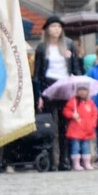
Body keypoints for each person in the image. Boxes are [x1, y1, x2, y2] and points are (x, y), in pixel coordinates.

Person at [33, 15, 83, 171]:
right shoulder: (42, 48)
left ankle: (64, 160)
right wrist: (39, 94)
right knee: (49, 125)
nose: (56, 29)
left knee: (65, 125)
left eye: (59, 27)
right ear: (47, 29)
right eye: (53, 26)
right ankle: (50, 160)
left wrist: (77, 84)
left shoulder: (68, 45)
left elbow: (75, 67)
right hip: (49, 85)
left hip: (65, 85)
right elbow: (38, 73)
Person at [62, 85, 98, 170]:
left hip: (87, 129)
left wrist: (92, 124)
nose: (82, 92)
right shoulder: (73, 101)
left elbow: (94, 114)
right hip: (76, 129)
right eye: (80, 90)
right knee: (76, 147)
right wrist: (72, 115)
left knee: (86, 147)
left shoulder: (90, 103)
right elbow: (66, 111)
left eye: (84, 90)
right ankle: (76, 163)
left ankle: (86, 163)